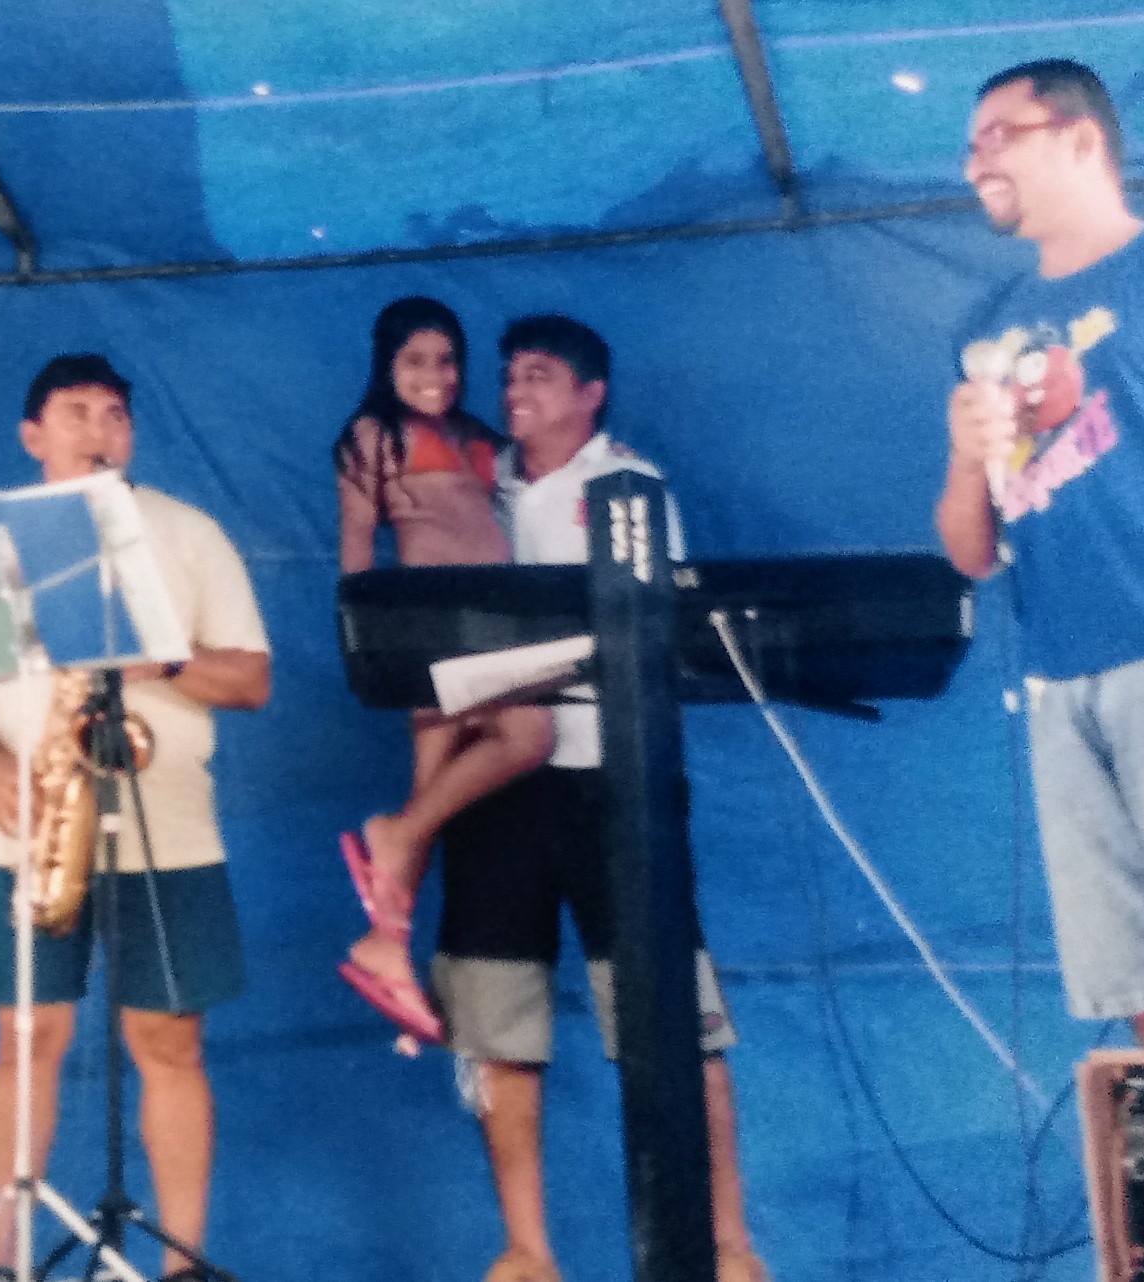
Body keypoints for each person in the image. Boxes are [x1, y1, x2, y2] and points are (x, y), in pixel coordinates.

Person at [935, 58, 1144, 1269]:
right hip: (1065, 688)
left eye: (994, 137)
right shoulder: (982, 329)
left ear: (1076, 137)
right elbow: (971, 550)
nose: (974, 164)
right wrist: (967, 451)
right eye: (969, 147)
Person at [432, 316, 766, 1282]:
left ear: (591, 393)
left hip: (616, 778)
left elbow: (659, 629)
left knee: (674, 1019)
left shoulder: (630, 486)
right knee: (497, 1022)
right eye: (508, 375)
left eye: (539, 375)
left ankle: (728, 1244)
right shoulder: (475, 483)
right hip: (500, 782)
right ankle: (527, 1251)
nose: (515, 389)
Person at [0, 354, 270, 1281]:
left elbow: (251, 680)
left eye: (115, 413)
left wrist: (164, 661)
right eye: (76, 411)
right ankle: (4, 1264)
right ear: (31, 435)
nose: (99, 429)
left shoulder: (188, 533)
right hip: (29, 830)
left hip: (170, 832)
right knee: (25, 1041)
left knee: (170, 1042)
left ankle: (182, 1267)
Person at [332, 297, 553, 1045]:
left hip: (496, 621)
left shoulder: (482, 437)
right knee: (528, 735)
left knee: (435, 786)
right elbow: (357, 547)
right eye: (415, 361)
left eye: (448, 360)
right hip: (429, 624)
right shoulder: (373, 436)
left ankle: (386, 947)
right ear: (386, 366)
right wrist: (370, 644)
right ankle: (397, 837)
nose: (435, 375)